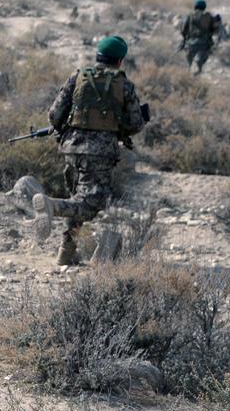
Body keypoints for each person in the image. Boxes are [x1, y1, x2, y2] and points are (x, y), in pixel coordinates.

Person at [32, 36, 145, 266]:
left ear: (97, 56)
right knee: (90, 205)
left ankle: (66, 252)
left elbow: (54, 115)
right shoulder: (124, 85)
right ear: (120, 61)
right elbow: (136, 124)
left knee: (79, 199)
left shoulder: (77, 77)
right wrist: (117, 125)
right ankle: (52, 206)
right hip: (100, 153)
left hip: (71, 148)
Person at [181, 0, 222, 75]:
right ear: (204, 7)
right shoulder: (208, 17)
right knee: (198, 68)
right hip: (204, 46)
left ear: (195, 6)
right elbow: (216, 31)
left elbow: (183, 31)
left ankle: (188, 79)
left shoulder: (190, 16)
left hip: (190, 45)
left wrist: (185, 41)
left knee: (188, 67)